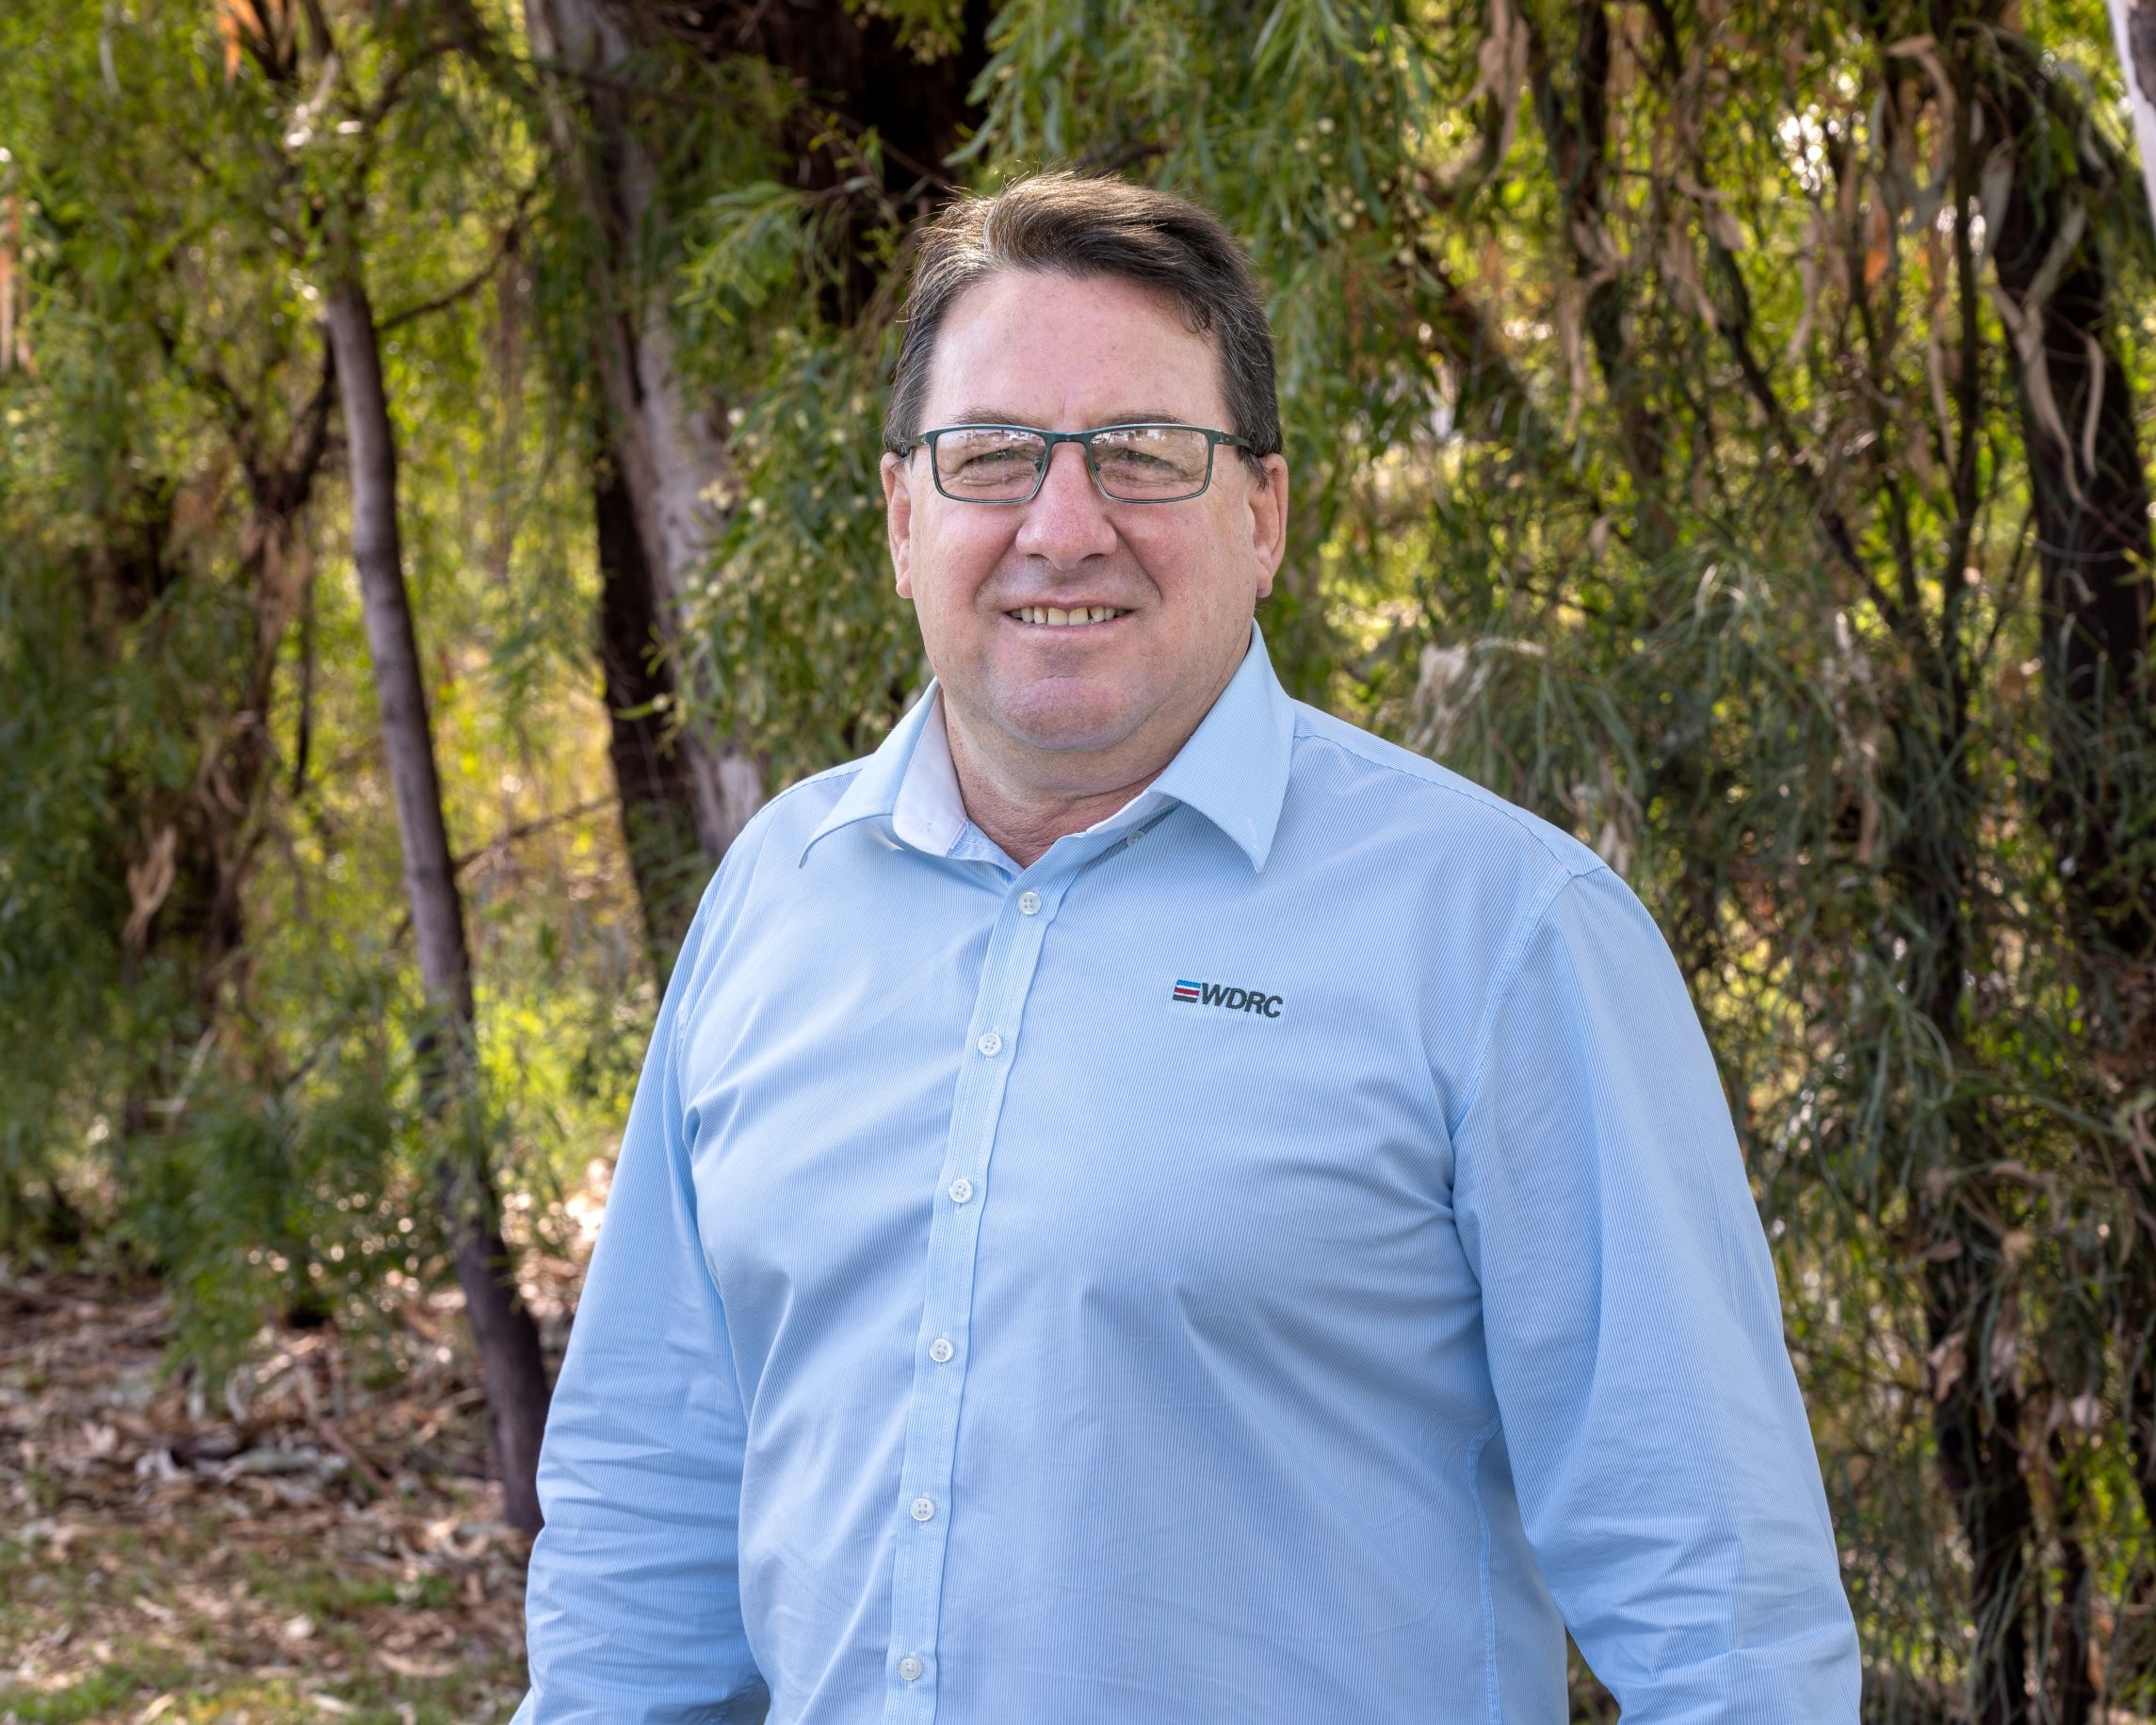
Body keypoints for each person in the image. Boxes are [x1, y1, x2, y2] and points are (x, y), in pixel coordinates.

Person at [513, 172, 1860, 1723]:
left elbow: (1722, 1616)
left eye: (1144, 457)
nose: (1062, 527)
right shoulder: (777, 895)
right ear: (902, 518)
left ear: (1264, 512)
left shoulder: (1502, 936)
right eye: (992, 458)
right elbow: (648, 1514)